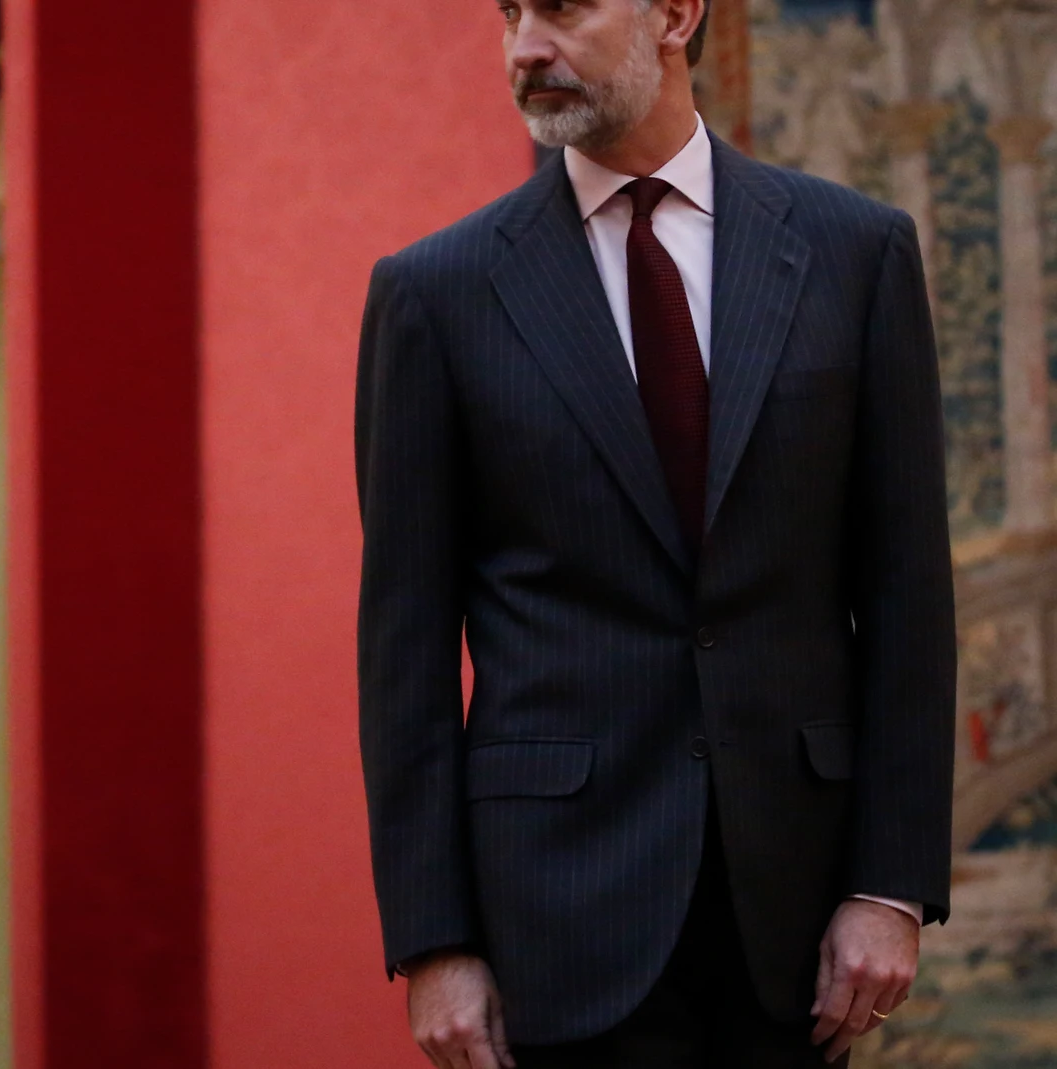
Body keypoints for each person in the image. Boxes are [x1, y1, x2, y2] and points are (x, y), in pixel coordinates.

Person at [354, 1, 954, 1066]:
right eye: (508, 14)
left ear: (676, 13)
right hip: (554, 918)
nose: (525, 47)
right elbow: (401, 651)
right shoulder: (433, 295)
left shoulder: (854, 253)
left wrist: (888, 883)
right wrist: (433, 941)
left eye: (563, 9)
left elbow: (908, 592)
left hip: (795, 916)